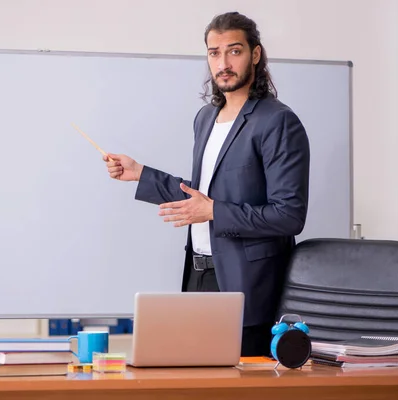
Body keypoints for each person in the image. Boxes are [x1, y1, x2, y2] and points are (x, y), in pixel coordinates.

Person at [103, 11, 310, 356]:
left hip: (248, 287)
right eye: (214, 53)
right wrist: (140, 173)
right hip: (198, 276)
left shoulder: (278, 122)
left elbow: (288, 216)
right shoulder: (206, 118)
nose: (223, 63)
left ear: (255, 55)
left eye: (234, 51)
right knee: (199, 384)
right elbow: (200, 198)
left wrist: (214, 210)